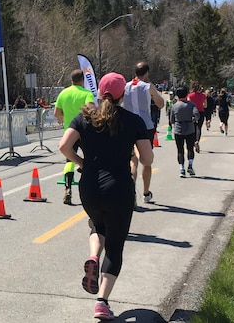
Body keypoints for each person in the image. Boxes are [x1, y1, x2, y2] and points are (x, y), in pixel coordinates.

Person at [59, 72, 153, 320]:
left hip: (89, 186)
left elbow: (63, 146)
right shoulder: (134, 121)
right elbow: (147, 159)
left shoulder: (85, 117)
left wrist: (82, 162)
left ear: (99, 92)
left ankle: (92, 256)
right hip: (119, 188)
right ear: (123, 95)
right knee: (115, 246)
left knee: (98, 224)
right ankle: (101, 301)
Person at [122, 62, 164, 205]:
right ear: (146, 73)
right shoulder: (148, 86)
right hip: (145, 125)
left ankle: (130, 192)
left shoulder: (126, 86)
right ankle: (146, 193)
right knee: (146, 160)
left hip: (127, 125)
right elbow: (160, 103)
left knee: (132, 160)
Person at [54, 69, 95, 204]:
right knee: (91, 158)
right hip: (84, 131)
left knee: (69, 160)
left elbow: (56, 113)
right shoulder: (86, 93)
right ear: (82, 80)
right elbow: (91, 109)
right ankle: (92, 188)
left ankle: (67, 189)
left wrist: (65, 119)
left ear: (71, 80)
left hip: (69, 132)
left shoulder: (63, 93)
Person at [170, 87, 200, 177]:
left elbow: (171, 120)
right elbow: (197, 115)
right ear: (186, 94)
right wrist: (194, 119)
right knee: (190, 148)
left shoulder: (174, 106)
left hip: (178, 129)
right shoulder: (191, 105)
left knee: (180, 150)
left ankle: (181, 169)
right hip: (190, 128)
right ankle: (190, 165)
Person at [187, 83, 207, 153]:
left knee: (193, 128)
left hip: (192, 112)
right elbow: (205, 106)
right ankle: (197, 140)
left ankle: (193, 141)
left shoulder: (190, 95)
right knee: (199, 128)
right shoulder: (203, 96)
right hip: (201, 112)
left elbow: (188, 104)